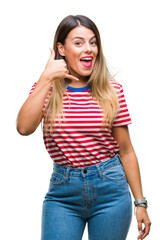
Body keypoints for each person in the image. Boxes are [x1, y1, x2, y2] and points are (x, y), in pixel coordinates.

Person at [16, 15, 151, 240]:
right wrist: (46, 77)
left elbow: (126, 150)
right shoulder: (46, 90)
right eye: (78, 43)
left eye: (93, 42)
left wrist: (141, 203)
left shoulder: (112, 91)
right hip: (63, 195)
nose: (88, 49)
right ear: (61, 48)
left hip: (111, 191)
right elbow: (23, 127)